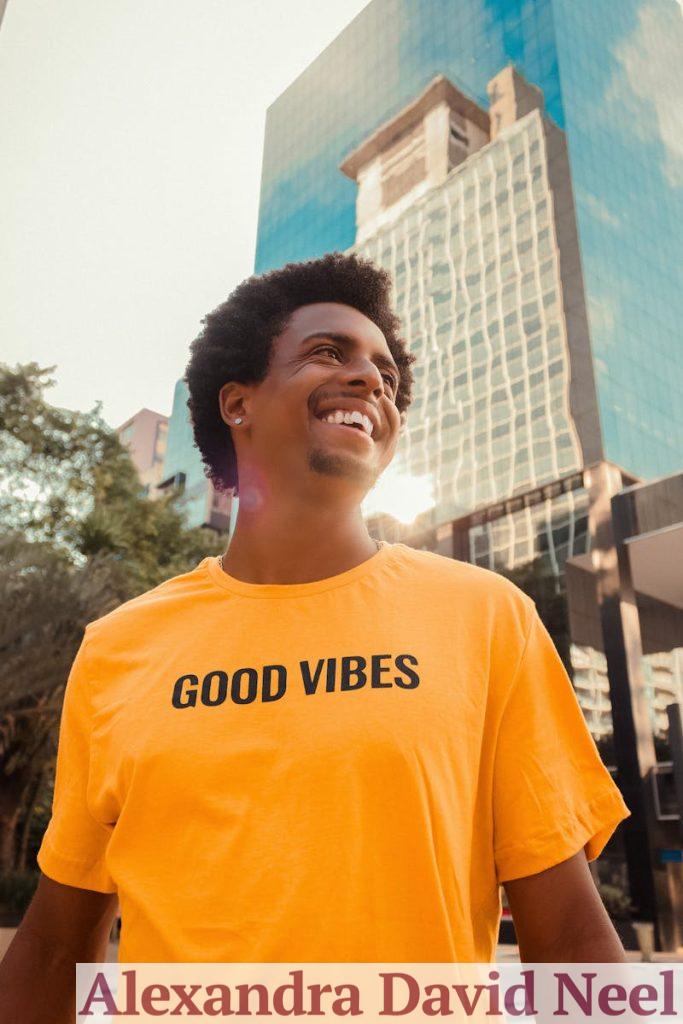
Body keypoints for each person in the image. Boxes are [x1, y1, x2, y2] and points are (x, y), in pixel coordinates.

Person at [0, 253, 630, 1015]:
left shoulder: (484, 617)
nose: (370, 380)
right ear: (238, 403)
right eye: (329, 352)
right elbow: (53, 945)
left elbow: (567, 940)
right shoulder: (117, 648)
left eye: (387, 375)